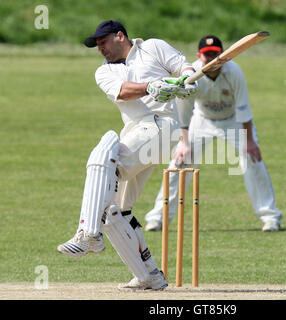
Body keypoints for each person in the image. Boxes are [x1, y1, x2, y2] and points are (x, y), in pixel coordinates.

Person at [57, 20, 198, 290]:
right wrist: (153, 86)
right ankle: (149, 276)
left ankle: (88, 233)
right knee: (115, 210)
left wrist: (187, 82)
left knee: (102, 160)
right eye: (97, 46)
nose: (101, 50)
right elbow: (123, 91)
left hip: (160, 125)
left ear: (120, 36)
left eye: (103, 43)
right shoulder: (104, 73)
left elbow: (183, 67)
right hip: (137, 132)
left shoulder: (153, 47)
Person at [145, 35, 283, 232]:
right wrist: (184, 143)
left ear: (222, 55)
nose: (211, 59)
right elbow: (184, 113)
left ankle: (270, 216)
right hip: (201, 121)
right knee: (179, 162)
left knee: (253, 159)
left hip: (234, 120)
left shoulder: (234, 72)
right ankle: (158, 217)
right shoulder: (193, 75)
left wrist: (249, 141)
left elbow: (244, 109)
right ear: (199, 56)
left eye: (215, 55)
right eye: (207, 55)